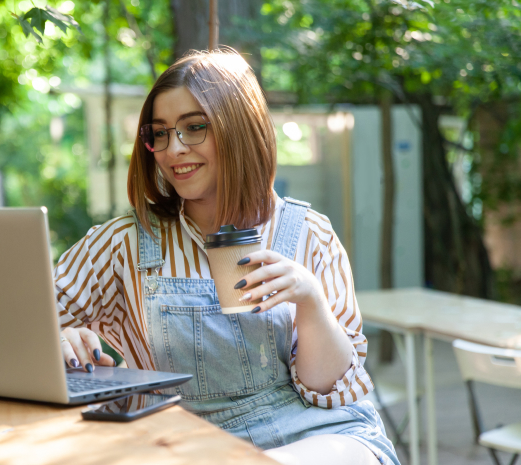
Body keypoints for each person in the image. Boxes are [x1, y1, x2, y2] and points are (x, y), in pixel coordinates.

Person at [54, 49, 399, 465]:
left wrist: (310, 300)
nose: (172, 149)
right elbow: (15, 331)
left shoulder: (310, 233)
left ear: (239, 128)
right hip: (187, 444)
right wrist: (58, 339)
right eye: (159, 133)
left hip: (321, 437)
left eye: (193, 128)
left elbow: (329, 389)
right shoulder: (122, 243)